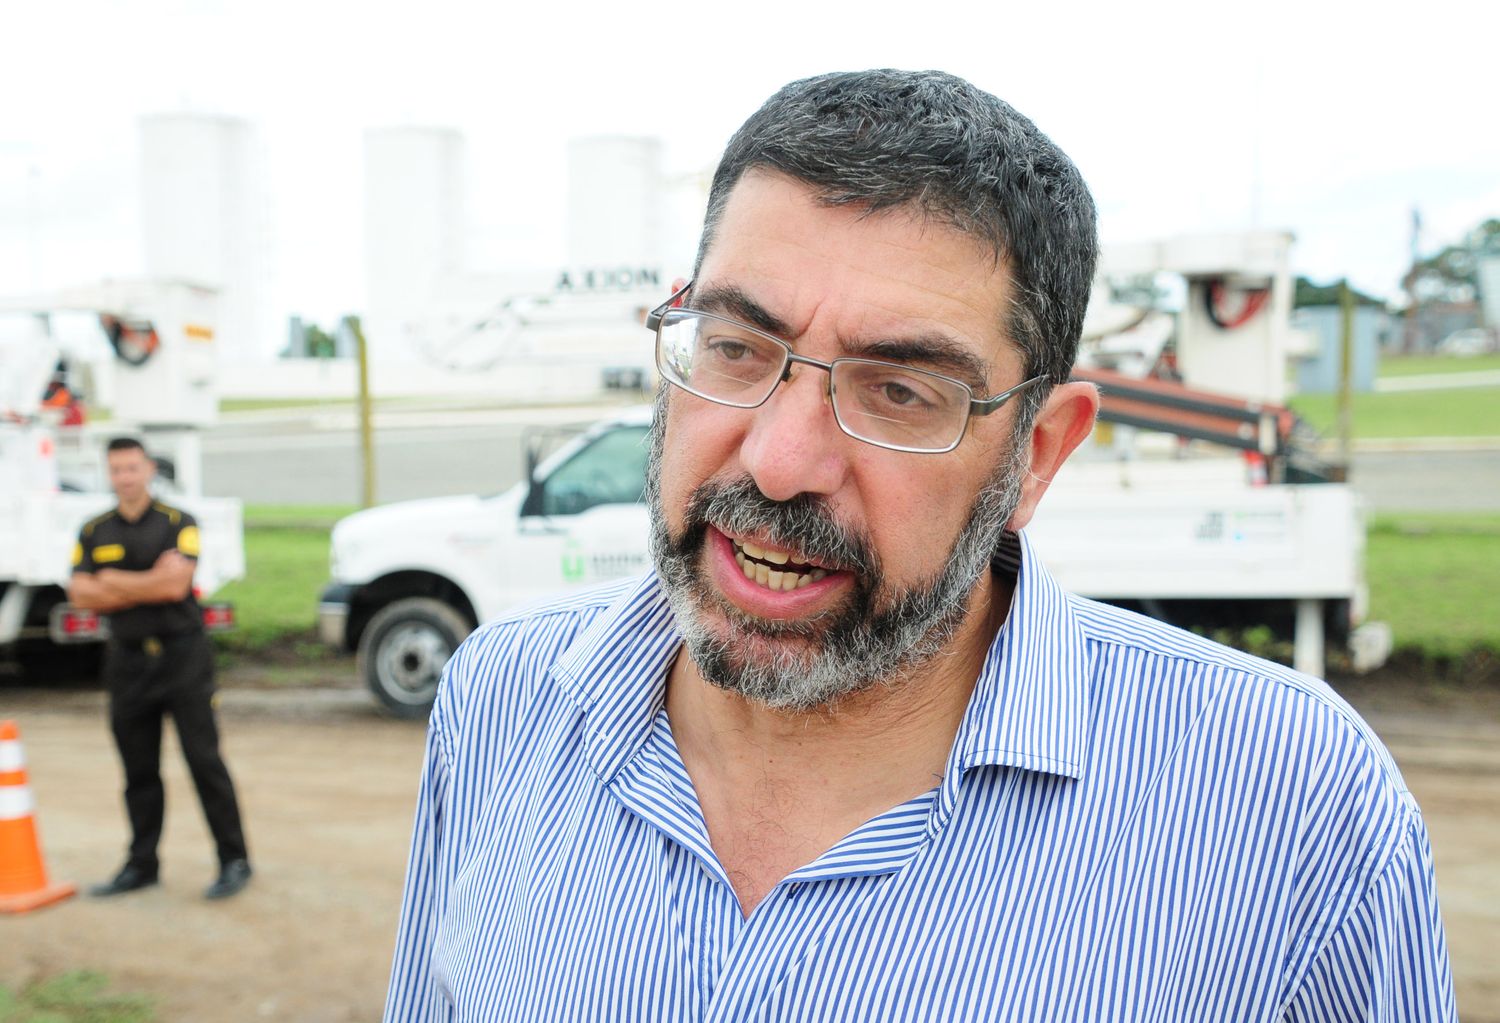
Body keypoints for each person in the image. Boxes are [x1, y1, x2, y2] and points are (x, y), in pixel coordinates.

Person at [385, 71, 1453, 1020]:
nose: (777, 461)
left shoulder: (1291, 810)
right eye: (737, 347)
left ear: (1037, 454)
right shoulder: (505, 702)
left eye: (898, 392)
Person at [67, 436, 251, 900]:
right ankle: (141, 865)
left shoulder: (178, 523)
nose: (124, 477)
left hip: (182, 658)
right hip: (127, 662)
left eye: (132, 468)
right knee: (138, 771)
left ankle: (234, 860)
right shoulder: (94, 530)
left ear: (148, 469)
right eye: (116, 470)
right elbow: (81, 594)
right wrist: (146, 582)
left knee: (204, 760)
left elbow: (176, 586)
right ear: (108, 474)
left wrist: (112, 582)